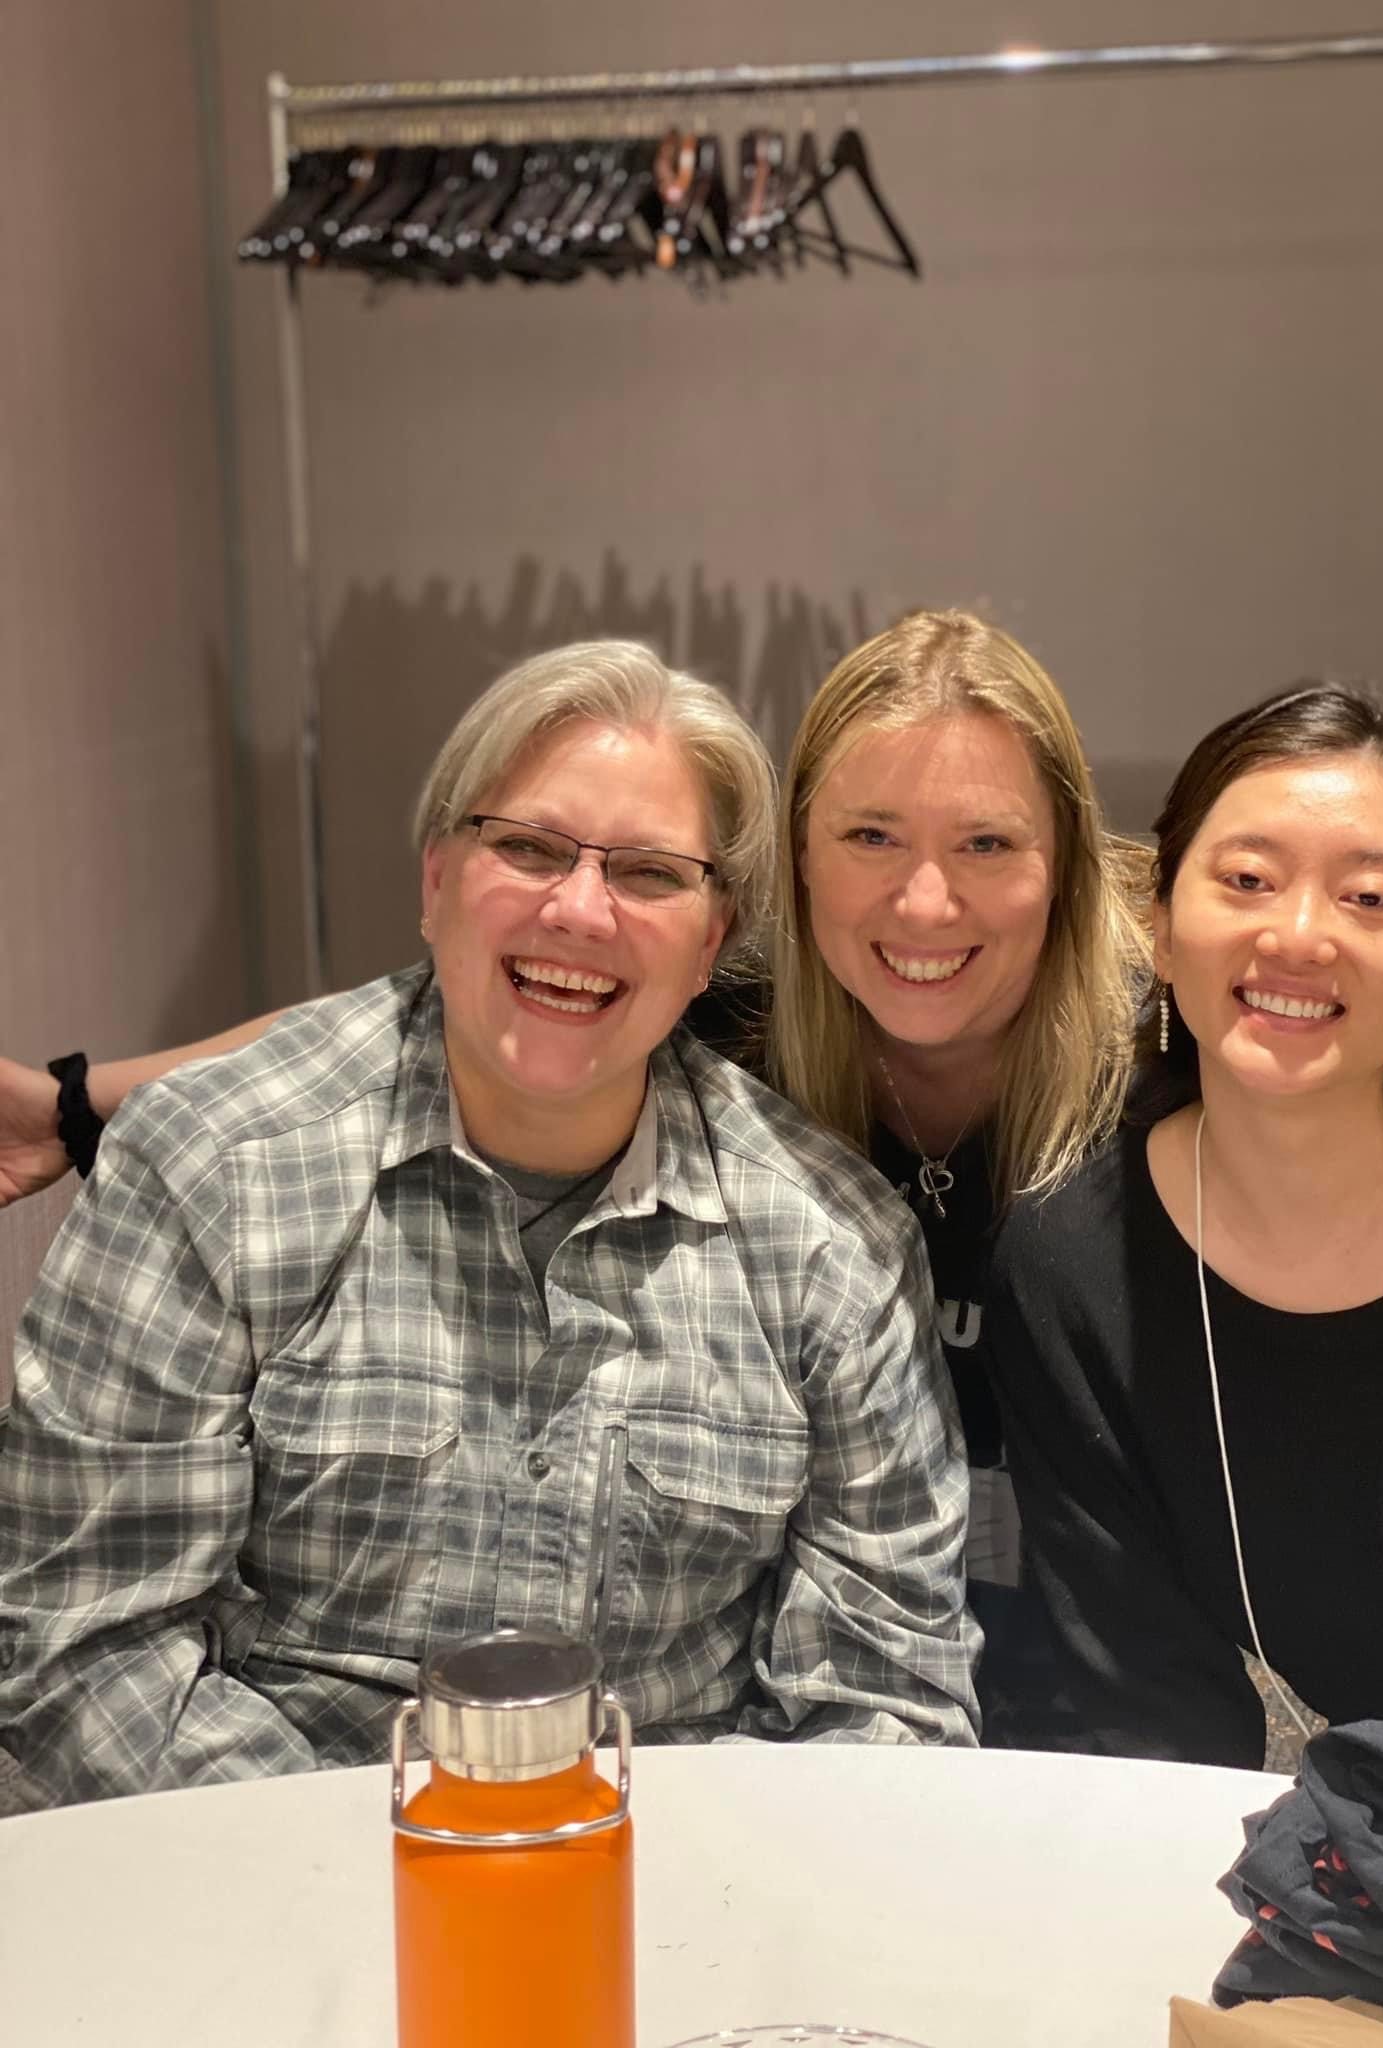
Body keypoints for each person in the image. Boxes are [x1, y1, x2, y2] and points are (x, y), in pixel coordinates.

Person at [6, 613, 1383, 1746]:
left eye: (988, 844)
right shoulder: (715, 1016)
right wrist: (94, 1103)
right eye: (868, 835)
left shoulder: (1184, 1012)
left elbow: (1378, 1004)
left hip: (1003, 1683)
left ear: (1074, 870)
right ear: (788, 874)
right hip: (354, 1835)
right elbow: (436, 1004)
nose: (922, 899)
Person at [0, 641, 981, 1807]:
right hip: (258, 1885)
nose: (578, 908)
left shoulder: (834, 1247)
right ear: (435, 881)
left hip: (666, 1912)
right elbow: (80, 1648)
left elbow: (889, 1705)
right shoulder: (212, 1168)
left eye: (652, 873)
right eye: (527, 846)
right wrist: (431, 1867)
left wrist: (608, 1883)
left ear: (713, 939)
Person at [987, 684, 1383, 1769]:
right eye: (1246, 879)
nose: (1297, 934)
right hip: (1216, 1867)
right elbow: (1131, 1695)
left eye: (1371, 898)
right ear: (1161, 923)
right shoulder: (1070, 1263)